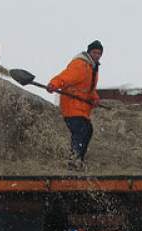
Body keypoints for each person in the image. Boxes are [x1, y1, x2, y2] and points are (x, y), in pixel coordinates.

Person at [47, 40, 103, 170]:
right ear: (89, 52)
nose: (97, 55)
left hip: (82, 108)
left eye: (99, 53)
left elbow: (89, 89)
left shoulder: (92, 68)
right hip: (71, 105)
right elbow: (65, 77)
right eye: (95, 52)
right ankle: (74, 159)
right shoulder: (81, 65)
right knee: (80, 130)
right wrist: (53, 84)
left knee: (88, 130)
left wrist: (95, 98)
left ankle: (78, 160)